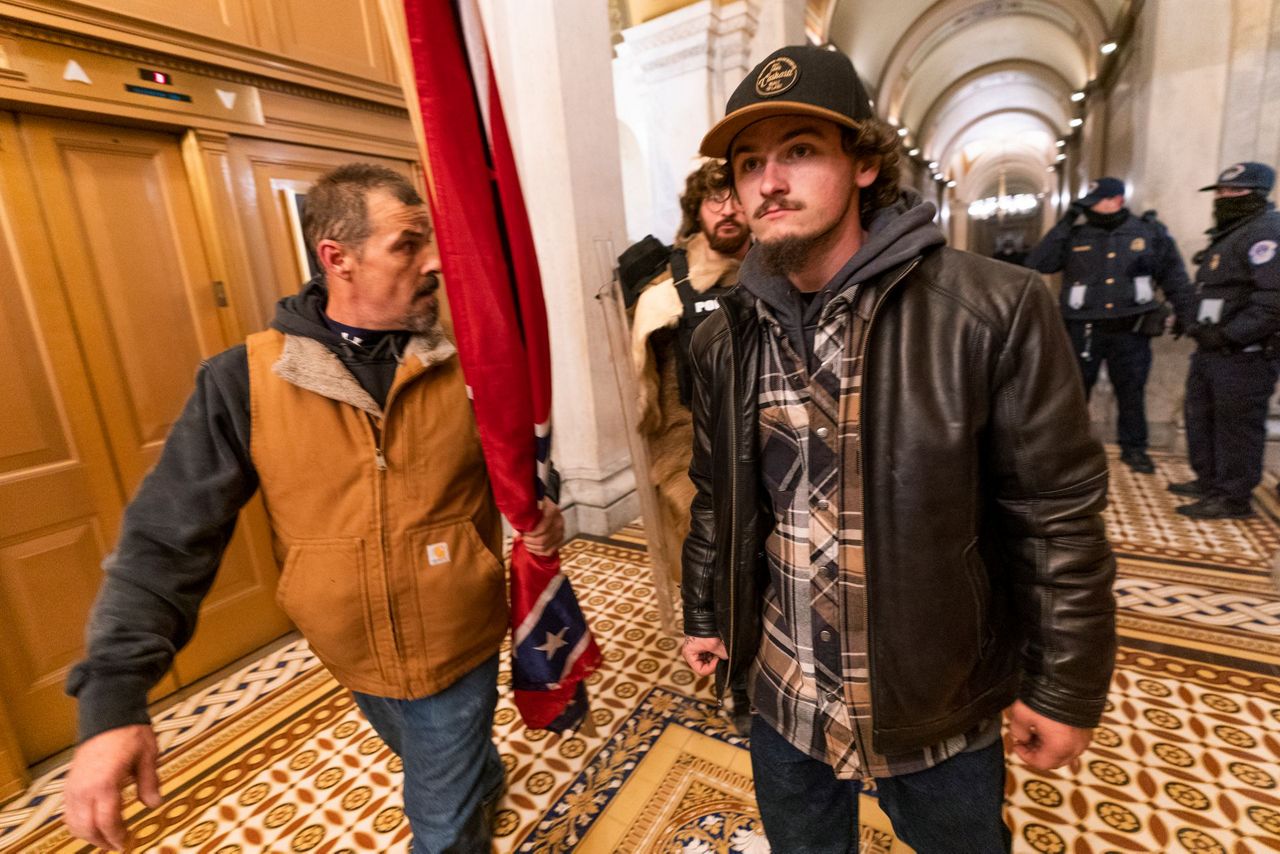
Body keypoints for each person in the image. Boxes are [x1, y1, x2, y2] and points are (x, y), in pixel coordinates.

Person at [679, 45, 1116, 853]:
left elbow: (1055, 518)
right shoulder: (722, 338)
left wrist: (1063, 687)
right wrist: (704, 612)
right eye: (749, 164)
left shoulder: (989, 310)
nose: (769, 181)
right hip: (786, 694)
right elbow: (717, 495)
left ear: (865, 164)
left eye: (801, 150)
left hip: (933, 700)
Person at [61, 163, 564, 853]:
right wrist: (112, 698)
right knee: (434, 755)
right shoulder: (244, 380)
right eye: (408, 243)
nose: (435, 261)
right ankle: (477, 771)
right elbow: (163, 541)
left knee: (442, 823)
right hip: (350, 650)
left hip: (458, 637)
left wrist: (546, 503)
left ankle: (463, 793)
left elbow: (526, 470)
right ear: (338, 258)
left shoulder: (473, 363)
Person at [629, 159, 751, 731]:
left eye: (736, 196)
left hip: (769, 442)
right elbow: (652, 387)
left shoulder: (779, 271)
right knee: (711, 571)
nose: (727, 209)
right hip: (694, 452)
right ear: (696, 210)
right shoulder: (667, 291)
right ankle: (730, 680)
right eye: (714, 198)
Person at [1027, 176, 1192, 475]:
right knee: (1075, 391)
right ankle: (1068, 448)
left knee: (1131, 390)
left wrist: (1187, 314)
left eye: (1096, 203)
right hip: (1083, 329)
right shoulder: (1076, 235)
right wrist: (1064, 223)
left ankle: (1134, 449)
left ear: (1117, 200)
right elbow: (1039, 262)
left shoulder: (1148, 233)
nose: (1090, 209)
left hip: (1130, 327)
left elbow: (1174, 277)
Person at [1171, 161, 1280, 519]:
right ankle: (1210, 481)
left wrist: (1229, 334)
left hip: (1243, 354)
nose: (1223, 198)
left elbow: (1272, 301)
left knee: (1236, 427)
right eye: (1220, 192)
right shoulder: (1232, 231)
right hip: (1211, 349)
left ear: (1258, 195)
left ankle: (1233, 498)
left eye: (1234, 192)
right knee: (1202, 418)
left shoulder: (1267, 233)